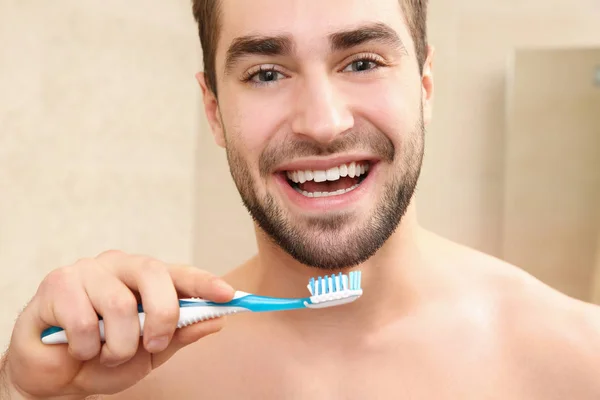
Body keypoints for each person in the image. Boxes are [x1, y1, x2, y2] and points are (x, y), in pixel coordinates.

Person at [2, 0, 600, 398]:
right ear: (214, 110)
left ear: (424, 85)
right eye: (266, 72)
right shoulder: (131, 377)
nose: (323, 123)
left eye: (362, 61)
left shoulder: (579, 363)